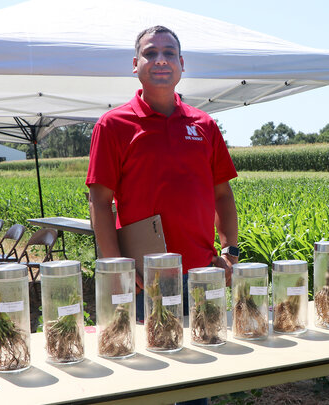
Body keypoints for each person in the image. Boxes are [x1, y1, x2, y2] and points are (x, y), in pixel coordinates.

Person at [86, 25, 239, 323]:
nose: (160, 59)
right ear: (135, 65)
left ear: (181, 64)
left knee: (210, 353)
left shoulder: (204, 125)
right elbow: (99, 202)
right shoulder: (113, 125)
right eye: (150, 53)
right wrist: (118, 266)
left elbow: (222, 194)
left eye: (169, 53)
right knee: (150, 361)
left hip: (203, 272)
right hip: (144, 277)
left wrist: (229, 251)